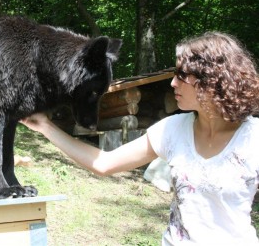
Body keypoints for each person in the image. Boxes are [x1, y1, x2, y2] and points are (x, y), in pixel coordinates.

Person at [20, 32, 259, 245]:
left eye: (182, 75)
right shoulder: (172, 130)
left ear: (211, 79)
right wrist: (46, 127)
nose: (173, 82)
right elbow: (104, 163)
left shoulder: (253, 138)